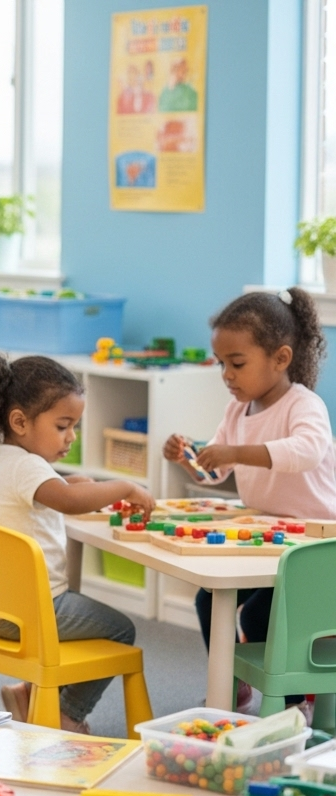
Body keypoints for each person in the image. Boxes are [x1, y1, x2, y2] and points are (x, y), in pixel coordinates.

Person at [164, 287, 336, 712]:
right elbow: (217, 470)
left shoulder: (304, 405)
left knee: (262, 617)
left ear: (280, 358)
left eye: (237, 364)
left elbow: (306, 451)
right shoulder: (237, 412)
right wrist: (189, 460)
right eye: (222, 364)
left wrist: (236, 453)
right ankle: (235, 684)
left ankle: (294, 703)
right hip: (270, 537)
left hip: (315, 546)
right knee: (210, 599)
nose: (227, 375)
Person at [0, 354, 155, 733]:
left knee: (97, 622)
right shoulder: (28, 467)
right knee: (122, 630)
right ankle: (68, 713)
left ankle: (28, 694)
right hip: (40, 612)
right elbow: (67, 503)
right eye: (62, 426)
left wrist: (72, 481)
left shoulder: (2, 460)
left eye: (74, 427)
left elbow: (49, 492)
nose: (71, 437)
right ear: (19, 421)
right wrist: (126, 486)